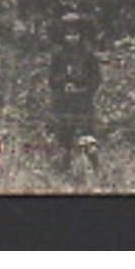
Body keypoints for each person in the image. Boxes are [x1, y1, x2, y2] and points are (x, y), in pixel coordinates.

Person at [48, 11, 102, 177]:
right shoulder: (58, 56)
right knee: (65, 137)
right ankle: (64, 172)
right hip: (64, 102)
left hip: (83, 101)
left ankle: (96, 170)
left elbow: (96, 78)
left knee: (87, 137)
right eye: (68, 35)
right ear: (63, 36)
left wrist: (85, 87)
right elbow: (51, 78)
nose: (72, 38)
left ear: (81, 35)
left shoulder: (88, 55)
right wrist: (63, 83)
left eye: (75, 34)